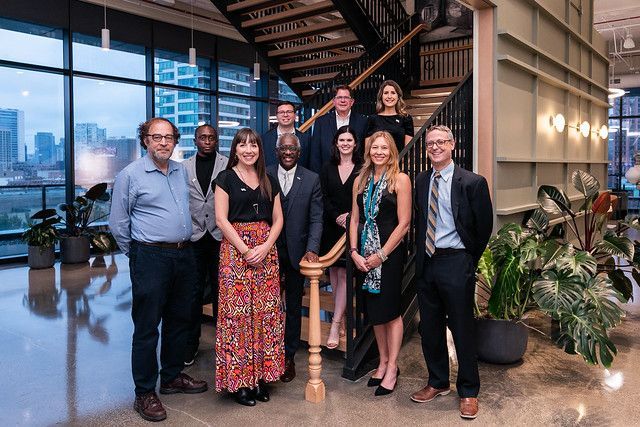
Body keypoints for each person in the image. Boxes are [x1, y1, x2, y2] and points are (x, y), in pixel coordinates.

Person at [109, 117, 208, 422]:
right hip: (150, 256)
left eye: (169, 137)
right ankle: (144, 392)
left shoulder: (180, 171)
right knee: (147, 326)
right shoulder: (131, 175)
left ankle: (172, 376)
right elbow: (118, 223)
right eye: (157, 137)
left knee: (180, 319)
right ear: (145, 140)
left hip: (183, 254)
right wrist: (138, 254)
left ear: (175, 141)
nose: (164, 142)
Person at [410, 125, 493, 420]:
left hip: (457, 260)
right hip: (427, 262)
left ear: (452, 144)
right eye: (431, 143)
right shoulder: (421, 181)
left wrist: (469, 260)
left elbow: (484, 227)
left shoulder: (472, 182)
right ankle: (437, 382)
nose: (435, 147)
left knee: (461, 328)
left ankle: (468, 391)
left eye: (441, 142)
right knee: (429, 327)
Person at [213, 128, 285, 407]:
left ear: (259, 150)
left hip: (266, 252)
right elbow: (221, 219)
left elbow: (278, 219)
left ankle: (261, 377)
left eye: (253, 145)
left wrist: (265, 247)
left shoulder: (269, 179)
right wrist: (245, 250)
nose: (248, 150)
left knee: (265, 315)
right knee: (238, 317)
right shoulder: (225, 178)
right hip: (235, 253)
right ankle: (241, 382)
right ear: (235, 149)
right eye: (242, 145)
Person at [348, 130, 411, 396]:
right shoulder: (360, 180)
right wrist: (353, 252)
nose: (379, 152)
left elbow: (404, 223)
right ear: (368, 151)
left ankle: (393, 366)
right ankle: (382, 361)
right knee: (375, 314)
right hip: (363, 254)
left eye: (384, 148)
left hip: (389, 255)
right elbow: (354, 219)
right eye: (375, 147)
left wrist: (381, 255)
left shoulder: (400, 179)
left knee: (391, 312)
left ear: (392, 152)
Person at [266, 133, 323, 383]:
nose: (288, 152)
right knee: (266, 307)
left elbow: (316, 219)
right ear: (276, 151)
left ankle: (287, 357)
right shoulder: (264, 174)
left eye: (292, 148)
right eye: (283, 148)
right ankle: (266, 354)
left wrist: (312, 248)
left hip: (297, 256)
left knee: (291, 308)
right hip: (266, 253)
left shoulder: (312, 179)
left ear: (298, 152)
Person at [183, 124, 228, 366]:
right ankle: (191, 345)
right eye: (203, 137)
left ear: (217, 140)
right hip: (195, 238)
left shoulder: (228, 163)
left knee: (223, 293)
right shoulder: (183, 167)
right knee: (193, 294)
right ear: (195, 140)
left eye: (211, 137)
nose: (207, 141)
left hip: (221, 238)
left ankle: (224, 345)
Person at [319, 125, 361, 348]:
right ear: (336, 143)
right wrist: (337, 216)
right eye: (341, 140)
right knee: (334, 275)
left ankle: (335, 323)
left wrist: (351, 216)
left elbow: (364, 195)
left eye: (349, 140)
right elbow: (323, 196)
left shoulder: (363, 167)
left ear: (355, 144)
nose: (345, 143)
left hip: (353, 226)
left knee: (345, 275)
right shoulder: (327, 167)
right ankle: (342, 316)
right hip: (331, 226)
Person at [310, 85, 367, 173]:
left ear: (352, 102)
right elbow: (315, 154)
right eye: (339, 97)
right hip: (327, 175)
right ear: (334, 101)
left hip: (355, 175)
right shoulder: (321, 122)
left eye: (346, 97)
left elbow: (365, 151)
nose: (343, 100)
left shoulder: (363, 122)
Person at [364, 80, 414, 154]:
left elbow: (408, 149)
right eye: (386, 93)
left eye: (393, 93)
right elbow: (368, 149)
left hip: (398, 162)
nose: (389, 96)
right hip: (378, 162)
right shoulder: (372, 119)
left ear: (398, 97)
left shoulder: (406, 118)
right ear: (381, 96)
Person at [262, 101, 310, 169]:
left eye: (289, 112)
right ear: (277, 116)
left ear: (295, 115)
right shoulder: (264, 139)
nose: (285, 115)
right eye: (281, 112)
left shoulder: (306, 140)